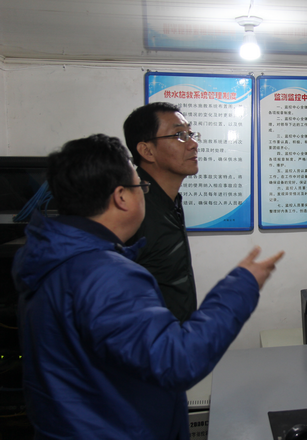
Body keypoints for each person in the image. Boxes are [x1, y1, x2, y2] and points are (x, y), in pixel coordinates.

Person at [12, 134, 284, 439]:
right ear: (121, 197)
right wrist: (242, 286)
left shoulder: (50, 258)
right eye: (140, 186)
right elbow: (177, 361)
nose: (144, 192)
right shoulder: (106, 275)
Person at [123, 102, 200, 322]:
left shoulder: (169, 200)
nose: (193, 144)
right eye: (179, 135)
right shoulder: (131, 207)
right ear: (147, 151)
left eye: (190, 134)